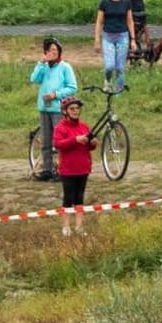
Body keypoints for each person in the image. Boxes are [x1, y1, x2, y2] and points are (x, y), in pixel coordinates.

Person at [29, 38, 79, 182]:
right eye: (50, 50)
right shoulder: (44, 67)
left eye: (56, 50)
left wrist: (56, 95)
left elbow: (72, 87)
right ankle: (47, 169)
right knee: (45, 141)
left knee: (60, 141)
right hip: (44, 108)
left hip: (58, 108)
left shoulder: (65, 67)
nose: (53, 53)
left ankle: (64, 170)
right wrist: (41, 63)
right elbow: (34, 79)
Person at [52, 96, 97, 237]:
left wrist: (92, 143)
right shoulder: (60, 127)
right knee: (68, 197)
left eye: (77, 108)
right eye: (72, 109)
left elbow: (90, 146)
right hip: (68, 169)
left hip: (83, 168)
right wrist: (75, 139)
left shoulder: (84, 126)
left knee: (79, 197)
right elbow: (58, 144)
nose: (75, 111)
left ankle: (79, 226)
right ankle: (66, 227)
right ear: (65, 111)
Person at [95, 0, 133, 93]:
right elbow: (99, 22)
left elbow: (130, 21)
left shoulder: (126, 2)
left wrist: (133, 39)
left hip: (122, 36)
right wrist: (97, 39)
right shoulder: (104, 2)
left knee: (120, 68)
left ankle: (118, 92)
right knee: (110, 66)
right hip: (108, 37)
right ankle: (107, 81)